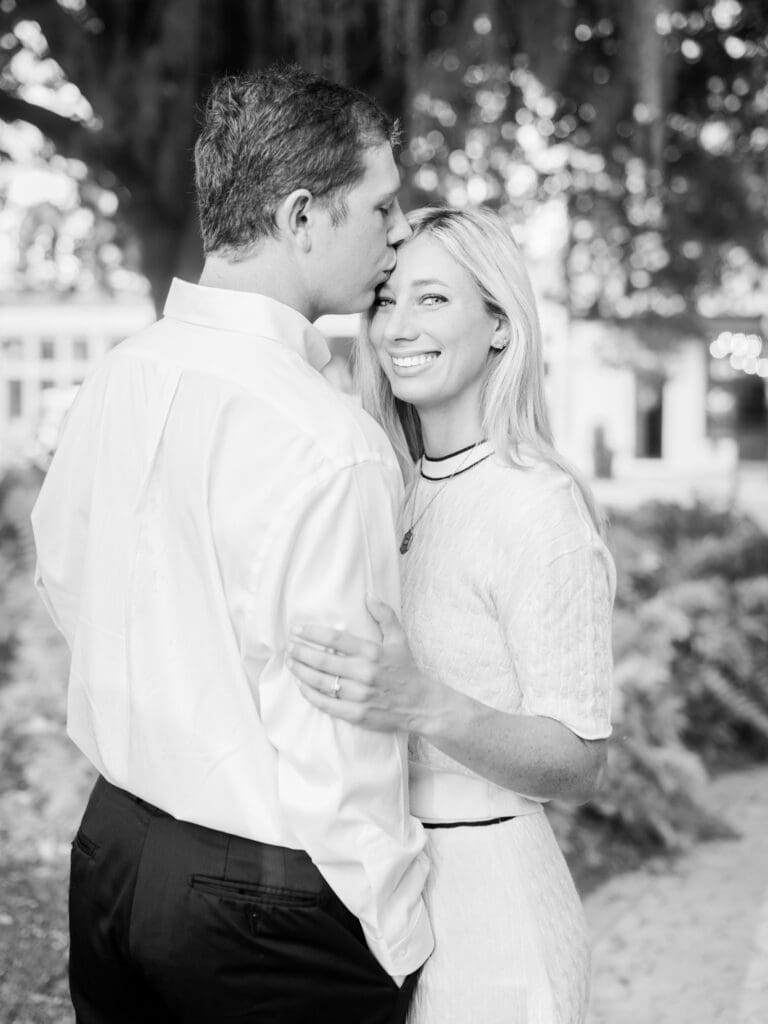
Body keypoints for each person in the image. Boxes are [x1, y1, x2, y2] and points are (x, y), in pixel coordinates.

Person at [30, 66, 434, 1024]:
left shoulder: (122, 374)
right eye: (382, 206)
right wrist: (393, 939)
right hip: (268, 905)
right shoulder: (331, 443)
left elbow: (63, 574)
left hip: (114, 854)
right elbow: (343, 742)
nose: (400, 230)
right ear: (302, 217)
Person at [287, 205, 615, 1024]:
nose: (399, 326)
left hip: (493, 912)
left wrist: (421, 700)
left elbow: (578, 760)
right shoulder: (388, 489)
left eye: (433, 300)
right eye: (388, 300)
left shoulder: (538, 507)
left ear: (501, 325)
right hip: (381, 897)